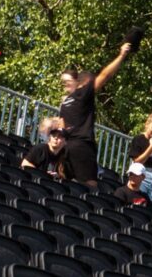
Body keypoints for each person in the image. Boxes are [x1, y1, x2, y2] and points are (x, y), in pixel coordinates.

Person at [56, 35, 137, 185]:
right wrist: (122, 55)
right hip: (82, 146)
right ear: (85, 83)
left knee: (67, 185)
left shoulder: (64, 102)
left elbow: (62, 127)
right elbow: (105, 75)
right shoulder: (82, 93)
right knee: (90, 187)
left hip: (67, 147)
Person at [124, 112, 152, 205]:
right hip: (141, 173)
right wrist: (151, 147)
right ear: (147, 125)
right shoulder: (138, 139)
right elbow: (137, 161)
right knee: (139, 201)